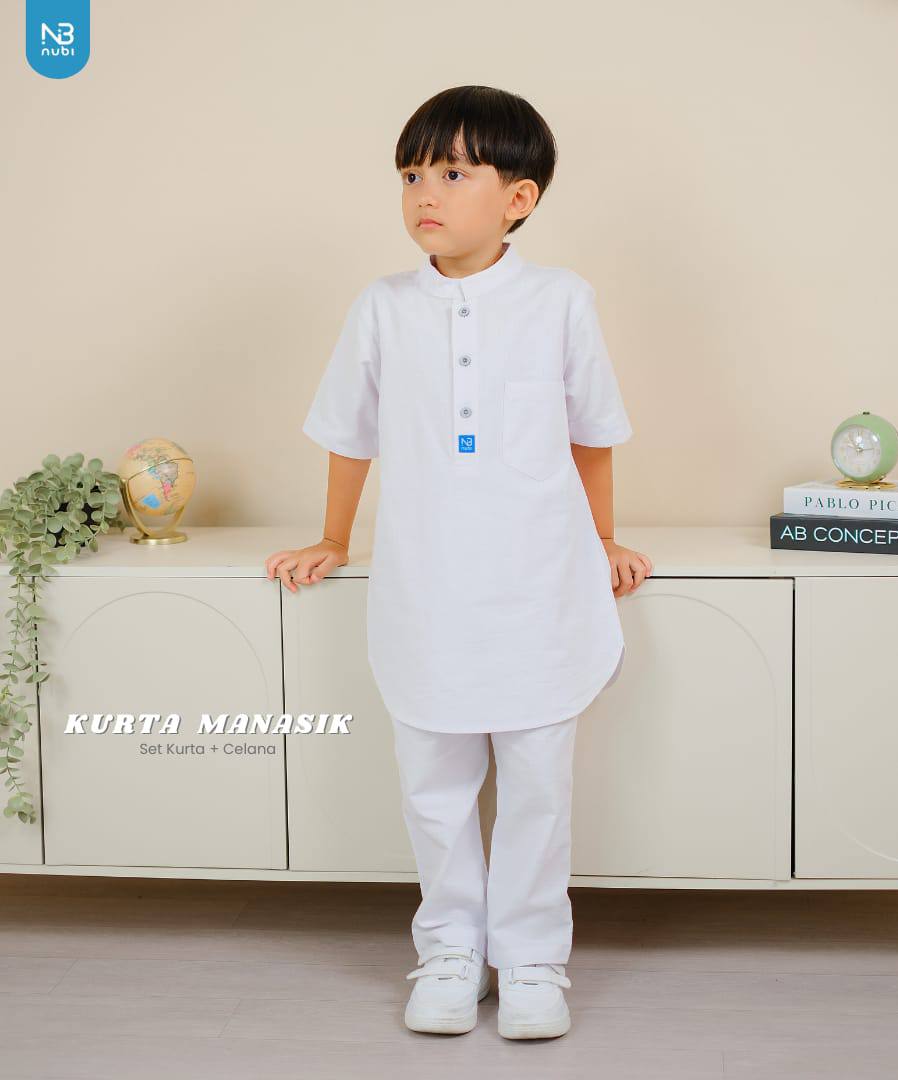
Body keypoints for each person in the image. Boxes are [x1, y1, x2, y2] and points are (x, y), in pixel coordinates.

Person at [265, 84, 653, 1040]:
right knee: (432, 783)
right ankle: (448, 950)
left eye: (450, 172)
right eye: (410, 175)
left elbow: (590, 434)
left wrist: (603, 539)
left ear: (518, 198)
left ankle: (531, 960)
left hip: (538, 589)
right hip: (426, 591)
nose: (423, 194)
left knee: (537, 787)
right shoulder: (383, 308)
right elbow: (349, 436)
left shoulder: (560, 300)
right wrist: (333, 539)